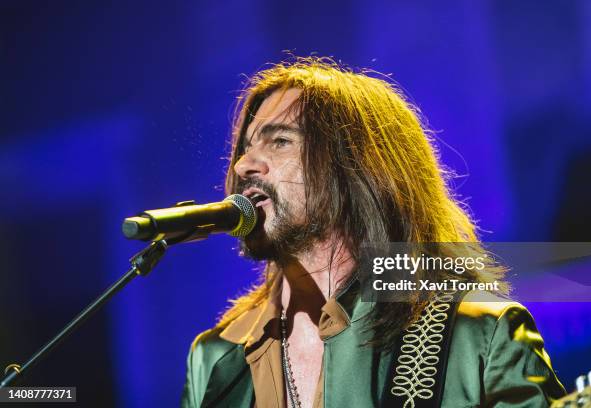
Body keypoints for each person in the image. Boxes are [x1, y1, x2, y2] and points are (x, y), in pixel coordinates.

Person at [180, 57, 565, 407]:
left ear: (356, 171)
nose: (245, 164)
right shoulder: (214, 360)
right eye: (245, 149)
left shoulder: (474, 335)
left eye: (280, 141)